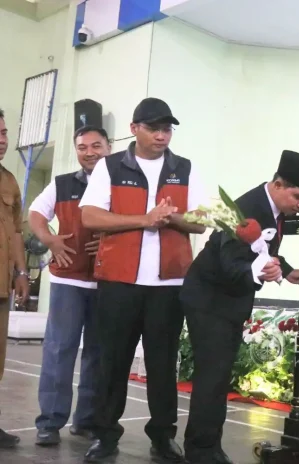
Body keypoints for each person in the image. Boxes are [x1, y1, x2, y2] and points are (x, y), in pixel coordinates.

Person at [79, 98, 207, 462]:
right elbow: (90, 216)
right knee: (113, 363)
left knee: (163, 365)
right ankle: (105, 435)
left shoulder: (185, 169)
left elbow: (200, 222)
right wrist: (144, 219)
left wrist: (172, 218)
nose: (162, 136)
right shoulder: (110, 166)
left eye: (167, 129)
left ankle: (163, 437)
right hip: (119, 281)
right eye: (154, 129)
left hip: (169, 285)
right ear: (134, 129)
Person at [179, 150, 299, 464]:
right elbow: (232, 263)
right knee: (212, 377)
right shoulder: (246, 209)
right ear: (279, 184)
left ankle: (209, 446)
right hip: (210, 300)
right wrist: (259, 273)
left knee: (219, 376)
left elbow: (262, 249)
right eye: (298, 197)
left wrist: (285, 271)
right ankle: (200, 451)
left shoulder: (272, 207)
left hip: (229, 300)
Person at [29, 125, 111, 446]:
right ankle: (50, 422)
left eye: (96, 146)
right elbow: (36, 213)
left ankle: (86, 421)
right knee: (59, 350)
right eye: (82, 147)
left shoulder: (121, 183)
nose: (89, 152)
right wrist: (49, 239)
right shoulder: (62, 184)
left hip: (107, 281)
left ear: (108, 147)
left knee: (97, 354)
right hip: (67, 281)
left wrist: (110, 242)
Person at [0, 108, 30, 449]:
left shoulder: (9, 181)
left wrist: (21, 272)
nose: (2, 140)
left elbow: (17, 232)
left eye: (5, 132)